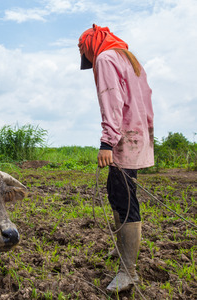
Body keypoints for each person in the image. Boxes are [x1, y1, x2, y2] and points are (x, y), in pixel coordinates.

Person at [78, 24, 154, 293]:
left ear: (90, 45)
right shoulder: (127, 58)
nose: (85, 55)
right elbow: (146, 100)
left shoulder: (105, 58)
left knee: (125, 198)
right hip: (136, 134)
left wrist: (106, 142)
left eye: (83, 50)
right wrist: (144, 135)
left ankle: (128, 271)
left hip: (122, 137)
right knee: (117, 191)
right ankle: (122, 248)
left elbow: (111, 99)